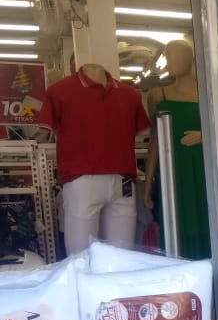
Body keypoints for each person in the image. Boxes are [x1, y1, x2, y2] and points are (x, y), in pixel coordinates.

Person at [37, 63, 150, 255]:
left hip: (122, 180)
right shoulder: (59, 91)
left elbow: (143, 131)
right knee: (82, 256)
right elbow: (45, 128)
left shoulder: (130, 95)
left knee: (122, 256)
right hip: (82, 179)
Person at [144, 39, 211, 260]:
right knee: (175, 225)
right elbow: (155, 139)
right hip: (173, 171)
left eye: (176, 54)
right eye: (168, 55)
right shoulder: (157, 95)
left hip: (203, 169)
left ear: (191, 58)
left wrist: (206, 136)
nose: (171, 60)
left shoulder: (210, 92)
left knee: (207, 222)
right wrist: (148, 183)